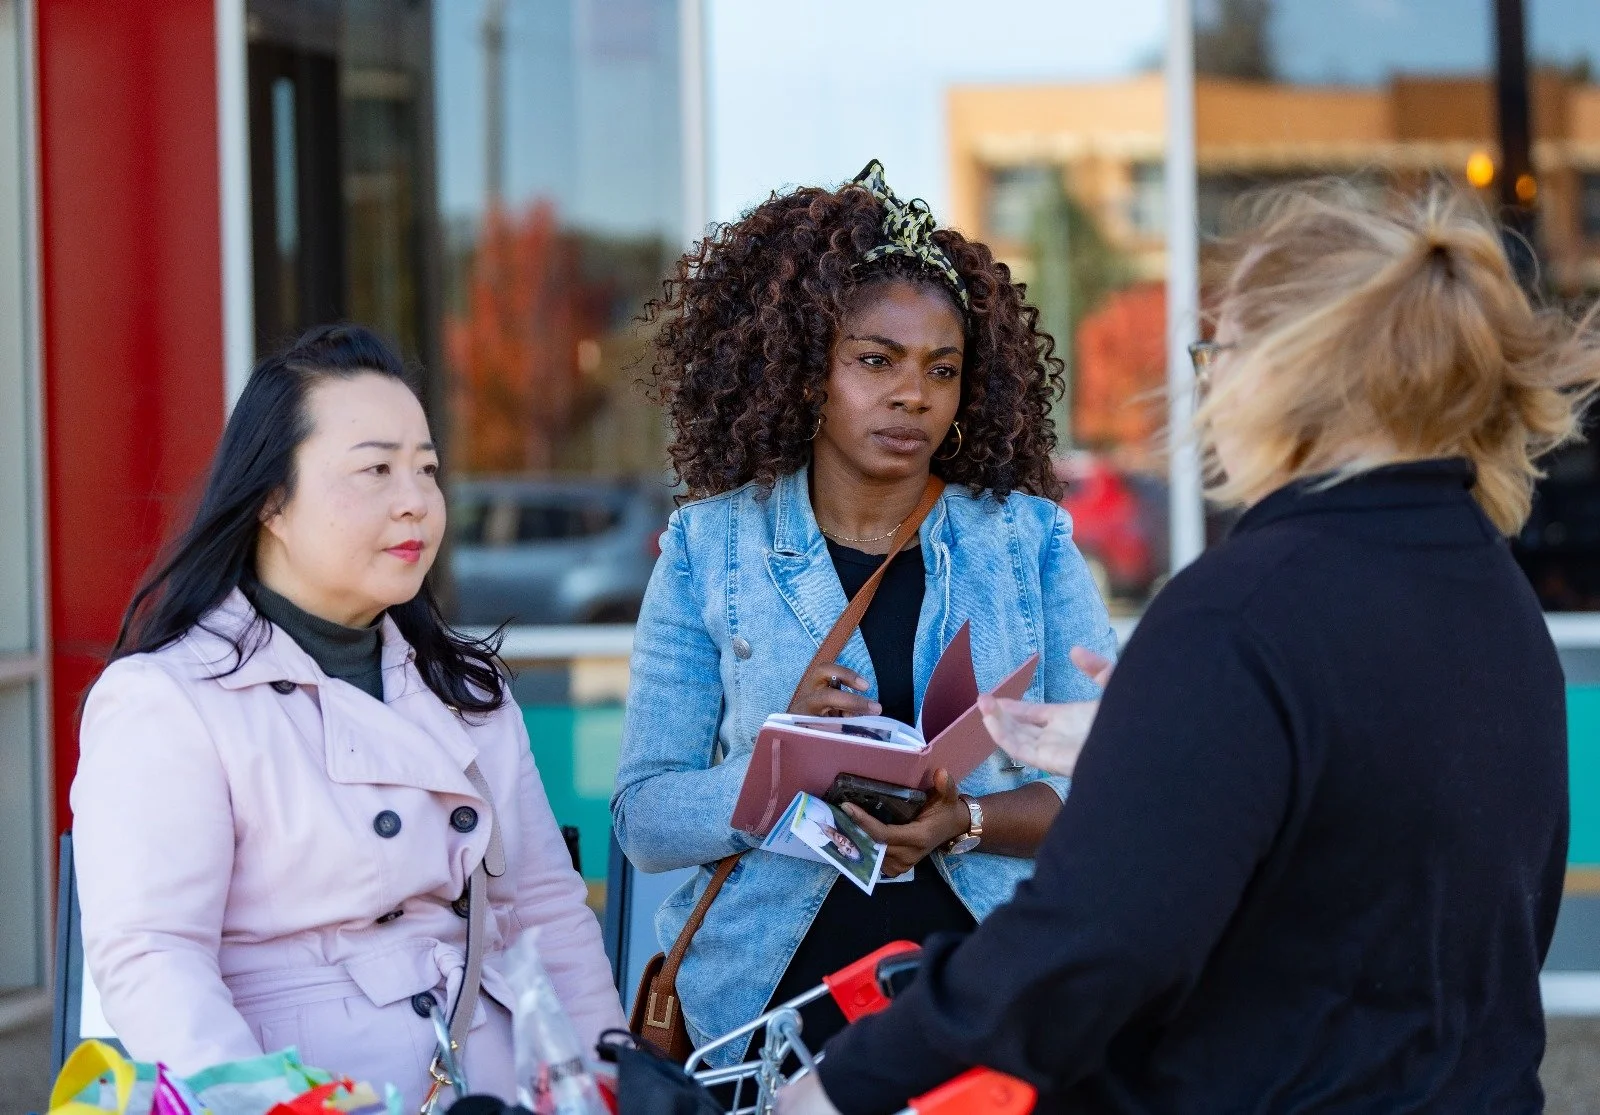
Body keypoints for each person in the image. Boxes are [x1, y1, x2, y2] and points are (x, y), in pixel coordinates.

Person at [778, 182, 1600, 1113]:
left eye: (1217, 354)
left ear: (1289, 370)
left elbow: (1090, 945)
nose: (1209, 388)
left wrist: (844, 1082)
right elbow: (1377, 826)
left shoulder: (1244, 608)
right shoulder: (1490, 594)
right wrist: (1161, 747)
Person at [611, 161, 1116, 1064]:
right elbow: (644, 820)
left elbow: (1114, 783)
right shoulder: (708, 548)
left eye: (941, 370)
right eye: (876, 361)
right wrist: (778, 762)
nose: (912, 393)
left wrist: (964, 821)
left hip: (983, 1002)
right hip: (766, 1019)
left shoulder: (1027, 542)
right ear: (807, 370)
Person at [71, 325, 624, 1107]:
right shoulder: (168, 699)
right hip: (317, 1088)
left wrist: (606, 1083)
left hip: (497, 1080)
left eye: (426, 469)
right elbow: (155, 958)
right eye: (376, 469)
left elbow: (546, 912)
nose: (415, 501)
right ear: (272, 500)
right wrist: (279, 1105)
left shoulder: (465, 689)